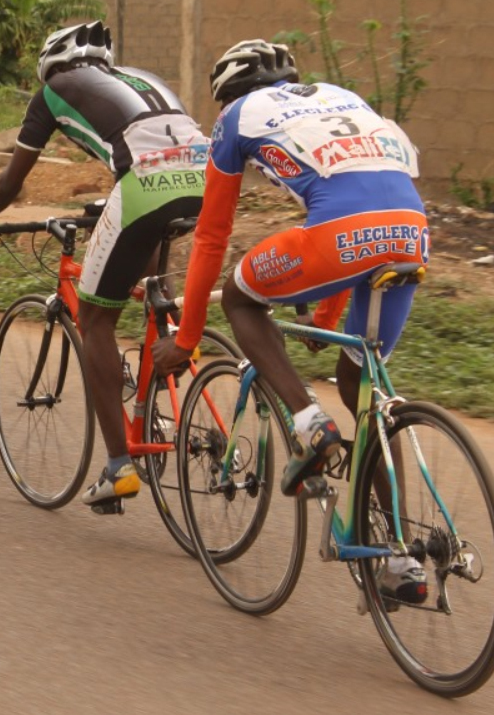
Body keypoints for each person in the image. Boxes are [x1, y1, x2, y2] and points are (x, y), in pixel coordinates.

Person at [150, 39, 428, 602]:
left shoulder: (235, 118)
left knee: (240, 298)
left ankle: (308, 423)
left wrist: (186, 337)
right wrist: (326, 315)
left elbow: (211, 236)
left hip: (338, 237)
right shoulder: (339, 96)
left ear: (226, 93)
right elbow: (363, 194)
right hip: (410, 231)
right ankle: (402, 558)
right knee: (362, 386)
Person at [0, 21, 209, 513]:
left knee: (94, 320)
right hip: (204, 181)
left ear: (50, 64)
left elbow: (10, 183)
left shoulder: (54, 90)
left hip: (145, 185)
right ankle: (172, 361)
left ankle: (118, 467)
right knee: (148, 280)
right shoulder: (143, 78)